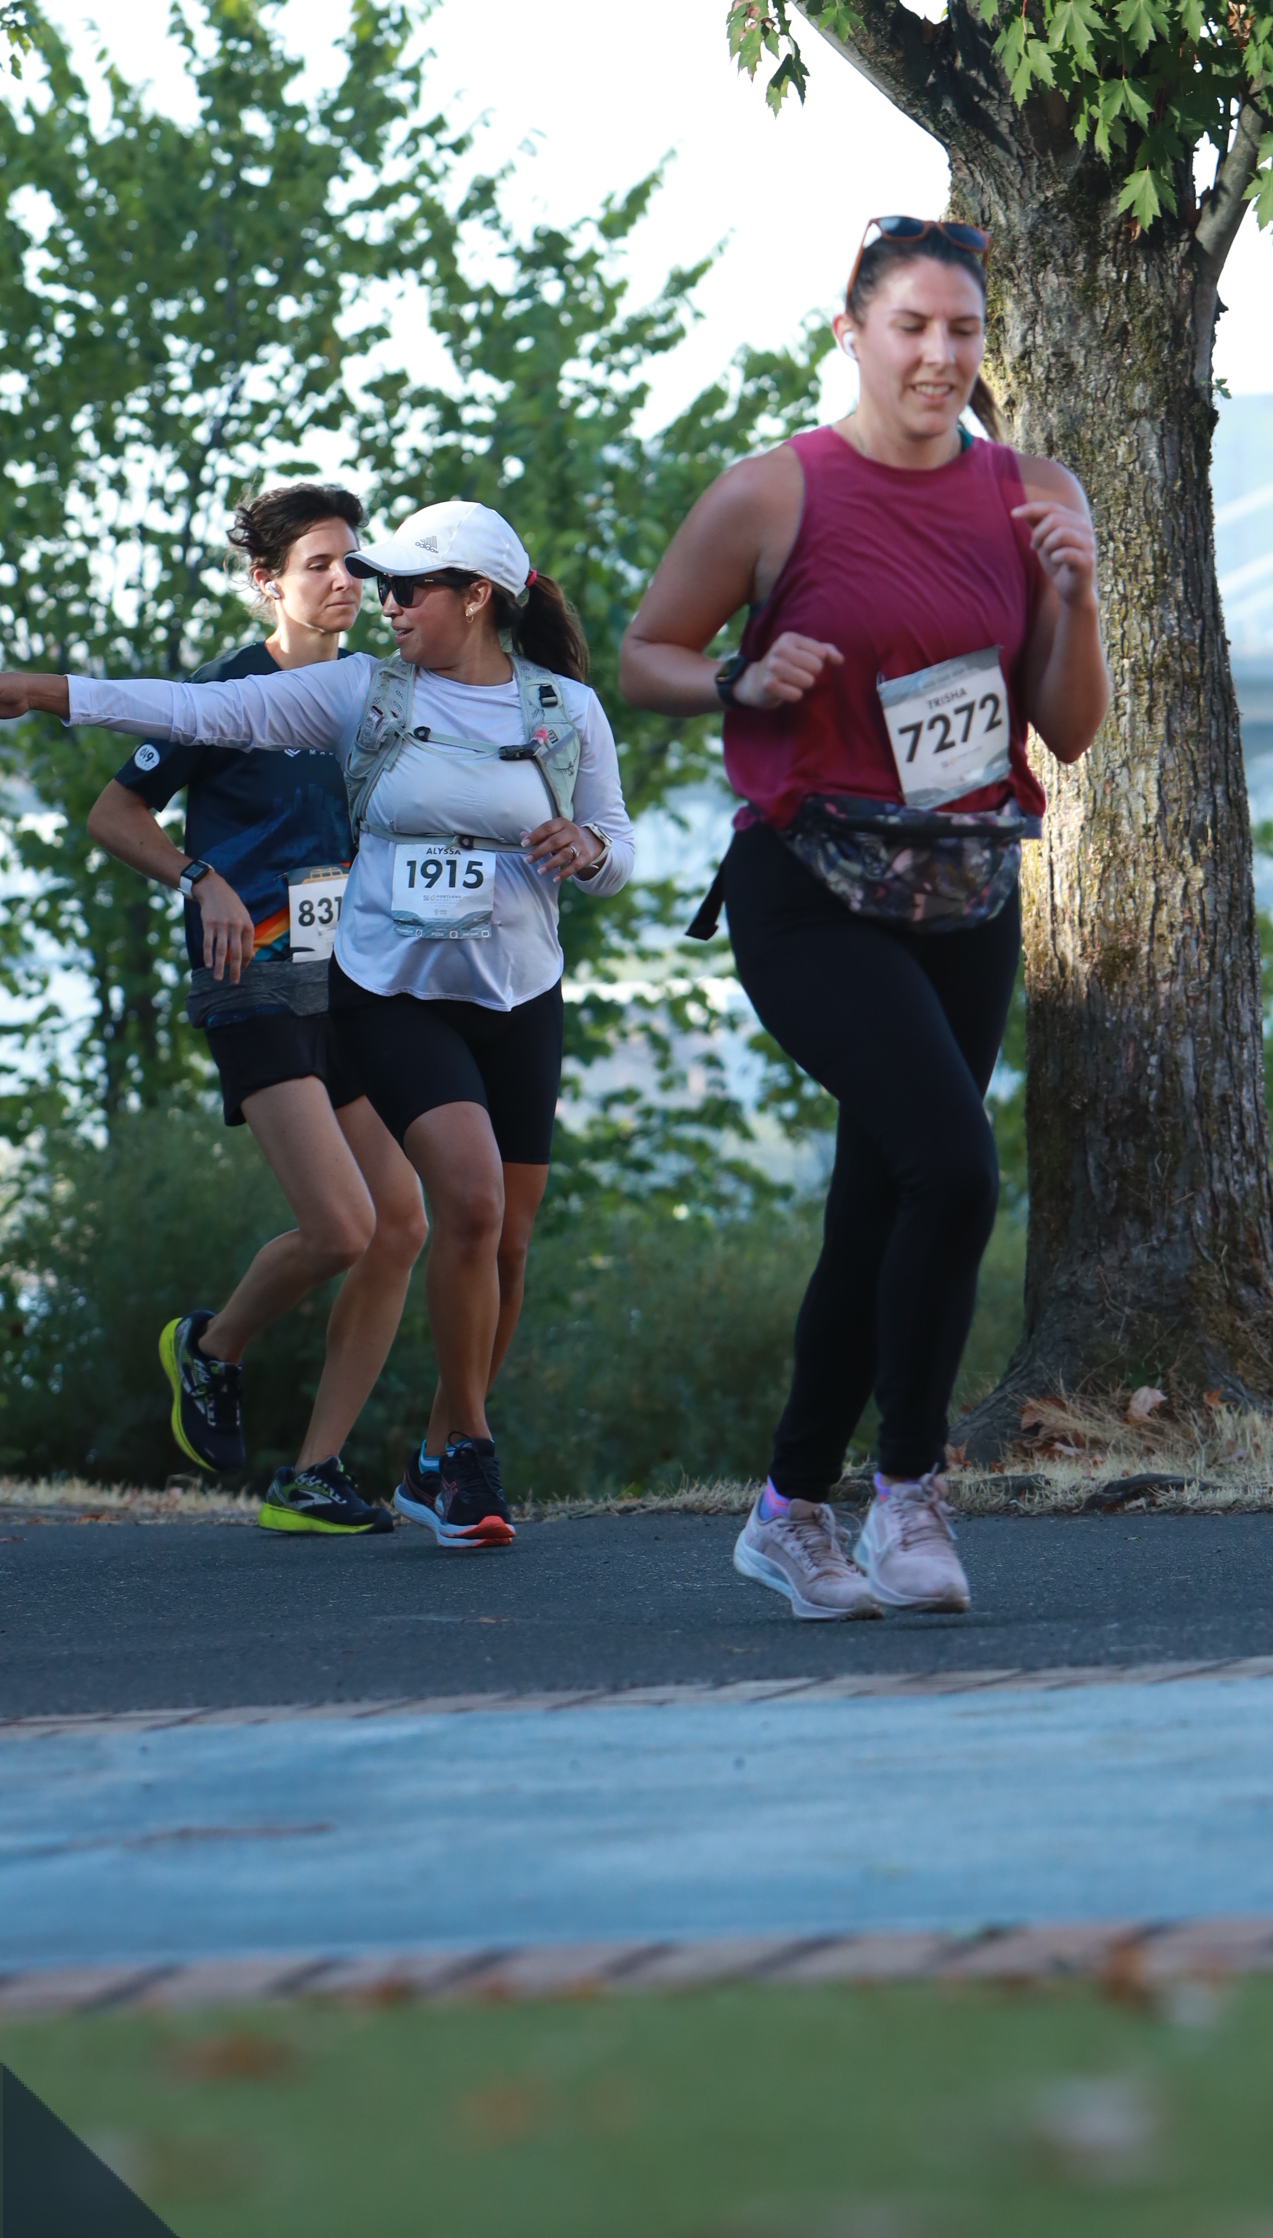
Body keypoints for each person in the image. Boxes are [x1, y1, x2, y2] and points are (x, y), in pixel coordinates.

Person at [620, 213, 1108, 1621]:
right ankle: (906, 1492)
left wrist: (1074, 598)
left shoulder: (1033, 491)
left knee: (879, 1204)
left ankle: (787, 1512)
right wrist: (740, 679)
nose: (941, 356)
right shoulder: (774, 494)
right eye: (912, 327)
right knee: (953, 1169)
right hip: (811, 891)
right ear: (851, 333)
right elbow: (646, 654)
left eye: (964, 330)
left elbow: (1069, 728)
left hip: (965, 892)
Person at [1, 497, 634, 1551]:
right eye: (353, 575)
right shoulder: (336, 691)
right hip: (317, 980)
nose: (374, 597)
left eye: (395, 581)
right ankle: (361, 1409)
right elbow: (185, 729)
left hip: (442, 984)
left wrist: (590, 852)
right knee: (405, 1214)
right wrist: (45, 695)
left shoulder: (531, 706)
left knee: (456, 1236)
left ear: (478, 597)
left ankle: (378, 1465)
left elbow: (613, 843)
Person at [82, 487, 425, 1535]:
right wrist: (201, 879)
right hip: (253, 981)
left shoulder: (376, 694)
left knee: (401, 1224)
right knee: (341, 1226)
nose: (345, 582)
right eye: (320, 564)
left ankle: (312, 1475)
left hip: (349, 984)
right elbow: (113, 812)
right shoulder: (224, 694)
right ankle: (211, 1345)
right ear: (268, 583)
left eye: (355, 563)